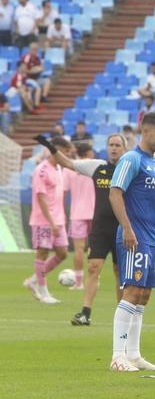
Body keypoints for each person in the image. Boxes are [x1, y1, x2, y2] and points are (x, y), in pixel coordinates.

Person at [42, 134, 144, 326]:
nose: (113, 148)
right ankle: (85, 313)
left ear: (124, 149)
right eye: (110, 144)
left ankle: (121, 315)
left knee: (119, 272)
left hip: (122, 228)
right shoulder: (97, 166)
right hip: (100, 227)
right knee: (93, 267)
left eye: (117, 145)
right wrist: (50, 147)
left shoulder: (130, 169)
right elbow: (68, 163)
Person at [108, 112, 155, 373]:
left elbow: (152, 207)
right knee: (132, 291)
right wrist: (126, 228)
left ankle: (133, 354)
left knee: (144, 295)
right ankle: (117, 355)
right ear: (145, 132)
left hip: (150, 238)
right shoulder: (131, 159)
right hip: (133, 237)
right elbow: (115, 193)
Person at [27, 137, 73, 304]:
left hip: (58, 220)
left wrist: (60, 219)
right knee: (43, 253)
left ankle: (33, 280)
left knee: (62, 253)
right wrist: (51, 222)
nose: (68, 156)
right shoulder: (42, 170)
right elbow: (41, 198)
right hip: (43, 221)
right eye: (66, 152)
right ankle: (43, 291)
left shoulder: (60, 168)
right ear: (57, 151)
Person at [62, 142, 95, 290]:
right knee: (95, 249)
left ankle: (79, 282)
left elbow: (63, 191)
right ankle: (95, 278)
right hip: (95, 212)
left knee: (78, 249)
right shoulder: (95, 166)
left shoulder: (70, 168)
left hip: (77, 213)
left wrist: (62, 211)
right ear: (88, 153)